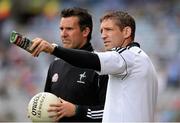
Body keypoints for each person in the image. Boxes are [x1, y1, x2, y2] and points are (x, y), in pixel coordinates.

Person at [30, 10, 158, 122]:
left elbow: (92, 59)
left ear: (126, 32)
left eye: (108, 30)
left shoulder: (129, 57)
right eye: (102, 31)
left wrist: (53, 49)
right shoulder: (140, 60)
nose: (103, 35)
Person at [32, 7, 108, 122]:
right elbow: (47, 104)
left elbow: (110, 112)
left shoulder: (101, 66)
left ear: (85, 32)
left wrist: (77, 110)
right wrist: (38, 114)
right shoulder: (55, 64)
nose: (63, 34)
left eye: (69, 29)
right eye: (61, 29)